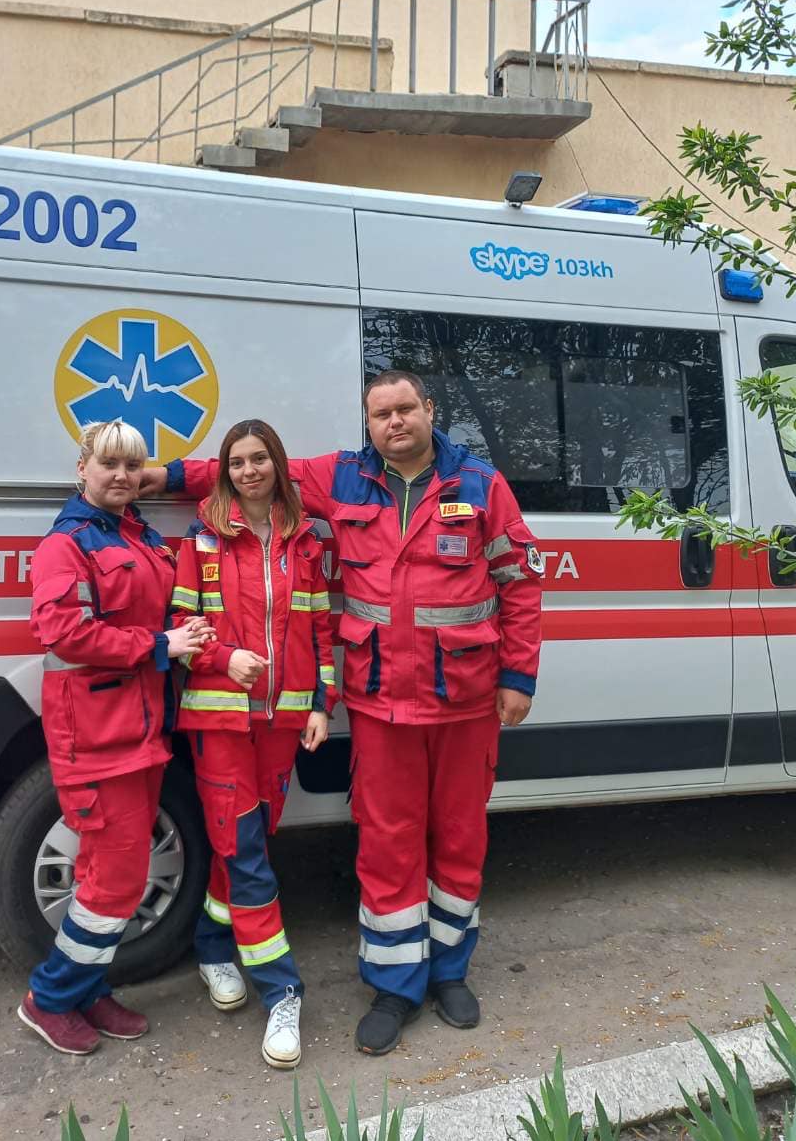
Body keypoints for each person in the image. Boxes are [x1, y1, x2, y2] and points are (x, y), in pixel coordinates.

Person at [143, 370, 543, 1056]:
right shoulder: (343, 478)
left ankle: (449, 973)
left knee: (459, 838)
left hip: (466, 700)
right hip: (382, 702)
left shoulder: (481, 485)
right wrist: (162, 475)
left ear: (430, 409)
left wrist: (518, 676)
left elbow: (520, 582)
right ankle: (394, 986)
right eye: (381, 413)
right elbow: (254, 467)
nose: (394, 422)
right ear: (368, 422)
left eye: (405, 409)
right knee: (387, 842)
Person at [19, 418, 212, 1055]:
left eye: (133, 466)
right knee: (118, 877)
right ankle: (49, 999)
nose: (123, 476)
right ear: (83, 469)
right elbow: (65, 632)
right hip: (98, 735)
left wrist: (186, 629)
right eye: (109, 464)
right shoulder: (66, 544)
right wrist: (161, 644)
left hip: (140, 727)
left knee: (103, 871)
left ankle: (88, 988)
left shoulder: (137, 534)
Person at [170, 419, 336, 1071]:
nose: (248, 470)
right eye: (236, 461)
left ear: (277, 464)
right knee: (246, 853)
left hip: (284, 723)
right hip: (221, 722)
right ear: (225, 471)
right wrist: (224, 658)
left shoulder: (305, 540)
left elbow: (321, 628)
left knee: (245, 845)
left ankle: (213, 947)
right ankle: (282, 991)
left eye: (258, 458)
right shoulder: (203, 538)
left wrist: (321, 703)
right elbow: (182, 627)